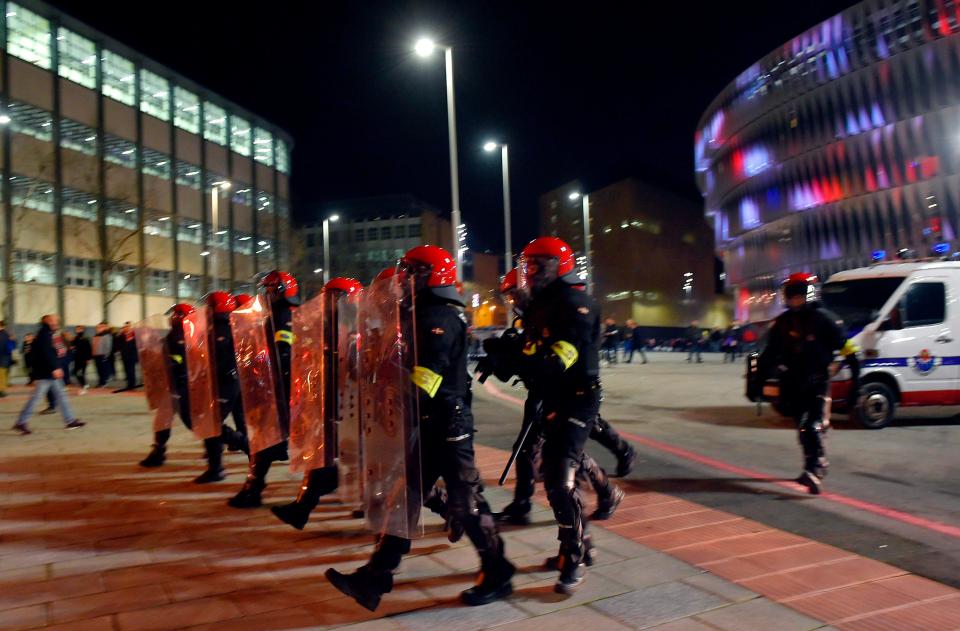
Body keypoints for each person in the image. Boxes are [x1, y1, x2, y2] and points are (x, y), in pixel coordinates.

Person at [326, 245, 514, 610]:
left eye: (413, 272)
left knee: (467, 504)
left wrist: (391, 390)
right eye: (405, 271)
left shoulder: (438, 318)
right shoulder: (416, 314)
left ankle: (499, 571)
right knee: (403, 500)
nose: (404, 279)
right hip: (426, 424)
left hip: (447, 426)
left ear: (434, 276)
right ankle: (375, 577)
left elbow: (428, 377)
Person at [480, 268, 625, 540]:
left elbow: (550, 359)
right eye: (509, 298)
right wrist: (502, 356)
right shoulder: (534, 315)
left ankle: (602, 498)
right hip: (543, 391)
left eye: (515, 295)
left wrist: (515, 359)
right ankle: (526, 505)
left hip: (568, 393)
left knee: (560, 455)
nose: (514, 302)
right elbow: (528, 354)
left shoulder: (557, 311)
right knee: (539, 450)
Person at [514, 237, 606, 593]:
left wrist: (530, 361)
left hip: (578, 398)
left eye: (541, 264)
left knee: (558, 477)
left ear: (561, 266)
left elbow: (560, 356)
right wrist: (511, 356)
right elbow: (534, 348)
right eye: (529, 264)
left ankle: (573, 555)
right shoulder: (542, 303)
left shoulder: (575, 303)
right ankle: (584, 542)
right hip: (552, 396)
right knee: (556, 473)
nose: (532, 271)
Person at [750, 273, 857, 494]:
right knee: (802, 428)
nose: (795, 301)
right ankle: (811, 464)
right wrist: (757, 381)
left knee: (811, 425)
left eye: (799, 296)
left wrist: (855, 380)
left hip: (817, 381)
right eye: (792, 297)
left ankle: (816, 468)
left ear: (808, 295)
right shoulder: (783, 322)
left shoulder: (824, 320)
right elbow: (770, 353)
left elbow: (848, 350)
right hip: (794, 383)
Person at [272, 276, 362, 530]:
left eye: (337, 297)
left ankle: (446, 508)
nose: (331, 303)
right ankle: (301, 508)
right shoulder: (323, 328)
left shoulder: (360, 329)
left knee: (373, 468)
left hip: (356, 410)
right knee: (323, 458)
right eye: (328, 297)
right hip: (331, 406)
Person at [228, 270, 299, 508]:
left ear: (282, 290)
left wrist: (272, 382)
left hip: (280, 388)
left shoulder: (283, 315)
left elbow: (283, 353)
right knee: (266, 439)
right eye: (266, 288)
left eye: (270, 288)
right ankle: (254, 486)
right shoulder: (273, 313)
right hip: (274, 386)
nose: (266, 293)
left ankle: (254, 489)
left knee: (266, 439)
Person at [12, 315, 85, 435]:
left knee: (62, 396)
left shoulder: (48, 333)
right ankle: (21, 422)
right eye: (53, 320)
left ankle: (70, 421)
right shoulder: (44, 335)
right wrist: (55, 368)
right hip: (46, 373)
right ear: (47, 321)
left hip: (49, 373)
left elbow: (54, 352)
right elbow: (47, 353)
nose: (56, 322)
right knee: (37, 398)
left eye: (57, 320)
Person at [114, 322, 139, 392]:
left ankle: (132, 385)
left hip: (132, 356)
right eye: (125, 327)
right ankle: (129, 384)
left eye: (128, 326)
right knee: (126, 371)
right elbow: (117, 344)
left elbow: (138, 345)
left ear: (131, 327)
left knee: (131, 371)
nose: (126, 328)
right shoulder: (121, 335)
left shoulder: (135, 335)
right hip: (124, 356)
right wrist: (118, 334)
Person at [71, 326, 92, 391]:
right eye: (77, 329)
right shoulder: (75, 338)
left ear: (83, 330)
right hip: (77, 358)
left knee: (82, 372)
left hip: (84, 358)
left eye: (79, 329)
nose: (77, 330)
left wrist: (89, 359)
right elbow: (73, 346)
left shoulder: (85, 339)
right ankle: (84, 383)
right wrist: (72, 347)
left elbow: (89, 349)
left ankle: (84, 384)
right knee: (74, 372)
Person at [92, 323, 113, 387]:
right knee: (98, 370)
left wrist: (106, 356)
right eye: (97, 327)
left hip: (102, 355)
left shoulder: (107, 335)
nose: (98, 329)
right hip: (96, 355)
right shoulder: (95, 335)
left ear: (104, 328)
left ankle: (103, 382)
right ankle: (100, 382)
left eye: (100, 327)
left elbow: (108, 346)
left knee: (103, 370)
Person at [0, 320, 14, 397]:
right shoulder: (6, 334)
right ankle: (2, 390)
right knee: (3, 376)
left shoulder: (2, 335)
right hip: (5, 359)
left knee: (1, 376)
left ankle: (2, 391)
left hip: (2, 359)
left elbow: (1, 347)